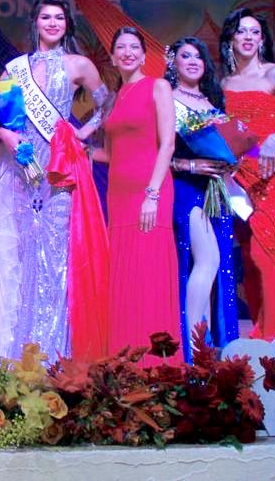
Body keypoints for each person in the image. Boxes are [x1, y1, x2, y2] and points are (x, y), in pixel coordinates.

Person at [0, 0, 109, 358]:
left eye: (59, 17)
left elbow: (107, 103)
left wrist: (82, 134)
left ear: (67, 24)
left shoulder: (79, 64)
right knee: (21, 252)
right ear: (35, 23)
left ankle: (54, 347)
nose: (52, 23)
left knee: (56, 252)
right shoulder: (14, 68)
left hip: (57, 170)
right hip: (20, 169)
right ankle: (17, 344)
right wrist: (7, 137)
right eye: (46, 17)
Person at [219, 8, 275, 339]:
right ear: (231, 38)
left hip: (273, 174)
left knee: (267, 251)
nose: (248, 37)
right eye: (241, 31)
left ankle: (273, 336)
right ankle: (261, 327)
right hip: (239, 177)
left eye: (255, 32)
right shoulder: (224, 82)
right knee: (248, 255)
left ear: (262, 39)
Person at [92, 27, 179, 363]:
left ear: (143, 55)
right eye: (120, 48)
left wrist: (152, 195)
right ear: (113, 58)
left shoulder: (158, 87)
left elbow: (167, 144)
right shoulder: (115, 98)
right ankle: (125, 360)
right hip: (118, 197)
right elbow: (110, 154)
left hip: (150, 193)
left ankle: (155, 363)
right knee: (125, 278)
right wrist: (73, 149)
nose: (127, 52)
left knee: (148, 275)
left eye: (133, 47)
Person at [165, 36, 239, 354]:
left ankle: (206, 343)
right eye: (185, 56)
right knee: (207, 259)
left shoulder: (212, 100)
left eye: (198, 56)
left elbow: (227, 145)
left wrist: (231, 161)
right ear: (173, 62)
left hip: (215, 189)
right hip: (185, 187)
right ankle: (193, 345)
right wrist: (188, 164)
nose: (193, 61)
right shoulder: (167, 98)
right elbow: (157, 150)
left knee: (215, 266)